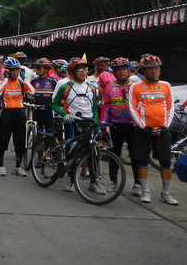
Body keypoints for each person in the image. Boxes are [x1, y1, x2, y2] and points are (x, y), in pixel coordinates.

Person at [128, 54, 178, 205]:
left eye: (156, 68)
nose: (154, 71)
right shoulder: (135, 86)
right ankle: (145, 191)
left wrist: (165, 126)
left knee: (166, 161)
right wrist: (143, 126)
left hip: (162, 129)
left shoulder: (166, 85)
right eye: (150, 69)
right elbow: (132, 107)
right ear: (143, 71)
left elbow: (170, 107)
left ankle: (166, 193)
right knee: (142, 160)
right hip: (143, 130)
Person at [51, 58, 99, 193]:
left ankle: (93, 182)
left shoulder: (93, 88)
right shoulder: (65, 87)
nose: (83, 72)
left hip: (88, 123)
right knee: (73, 152)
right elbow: (53, 104)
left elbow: (94, 108)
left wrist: (97, 125)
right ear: (72, 73)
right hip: (72, 123)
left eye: (85, 69)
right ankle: (72, 181)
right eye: (79, 70)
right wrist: (64, 114)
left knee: (92, 152)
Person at [100, 57, 141, 194]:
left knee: (135, 155)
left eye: (124, 69)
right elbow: (106, 107)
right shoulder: (109, 88)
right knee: (114, 154)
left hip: (133, 126)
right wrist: (103, 126)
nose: (122, 72)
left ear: (129, 70)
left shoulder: (136, 85)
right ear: (114, 72)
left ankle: (138, 184)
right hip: (115, 125)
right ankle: (113, 182)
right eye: (118, 70)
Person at [0, 58, 35, 177]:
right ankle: (1, 166)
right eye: (12, 70)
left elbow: (32, 92)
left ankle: (17, 167)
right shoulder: (3, 82)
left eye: (17, 70)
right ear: (7, 71)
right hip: (6, 113)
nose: (15, 72)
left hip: (19, 113)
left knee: (20, 141)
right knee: (3, 140)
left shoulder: (21, 82)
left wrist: (24, 79)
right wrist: (5, 79)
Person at [29, 58, 57, 131]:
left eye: (39, 68)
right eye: (36, 68)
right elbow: (29, 95)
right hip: (37, 110)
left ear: (46, 69)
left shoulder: (53, 82)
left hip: (49, 111)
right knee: (37, 132)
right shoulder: (33, 81)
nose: (36, 70)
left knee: (50, 131)